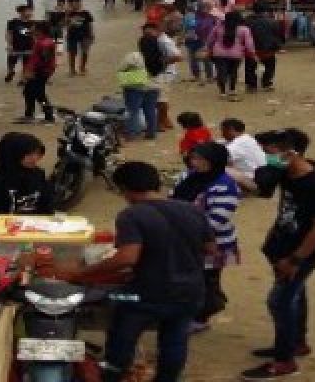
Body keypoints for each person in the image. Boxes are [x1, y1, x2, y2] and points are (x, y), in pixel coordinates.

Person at [52, 162, 213, 382]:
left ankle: (113, 374)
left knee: (121, 331)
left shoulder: (133, 215)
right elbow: (210, 249)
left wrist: (81, 275)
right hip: (190, 292)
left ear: (125, 188)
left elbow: (127, 257)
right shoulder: (191, 210)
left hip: (143, 295)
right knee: (175, 340)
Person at [244, 129, 315, 379]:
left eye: (268, 152)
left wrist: (295, 259)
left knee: (279, 302)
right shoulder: (288, 171)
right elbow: (262, 189)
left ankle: (284, 361)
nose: (265, 157)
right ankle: (296, 343)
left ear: (290, 153)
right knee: (295, 295)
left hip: (301, 251)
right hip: (285, 242)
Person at [172, 142, 241, 333]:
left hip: (212, 243)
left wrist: (182, 226)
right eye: (194, 158)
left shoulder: (225, 187)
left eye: (201, 159)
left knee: (206, 280)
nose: (195, 162)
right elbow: (172, 200)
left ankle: (201, 318)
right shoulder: (187, 177)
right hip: (183, 239)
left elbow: (215, 220)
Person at [0, 132, 54, 225]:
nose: (35, 158)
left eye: (38, 154)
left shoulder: (38, 175)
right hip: (2, 233)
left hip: (36, 229)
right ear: (13, 154)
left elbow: (47, 207)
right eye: (29, 154)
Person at [208, 7, 256, 101]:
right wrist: (252, 53)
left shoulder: (218, 27)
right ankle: (232, 90)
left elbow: (210, 39)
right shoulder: (244, 29)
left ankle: (222, 92)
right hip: (236, 55)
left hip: (219, 54)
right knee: (233, 72)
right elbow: (249, 43)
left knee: (221, 72)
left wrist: (209, 49)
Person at [244, 5, 283, 92]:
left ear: (253, 11)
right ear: (265, 11)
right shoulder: (273, 22)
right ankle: (266, 83)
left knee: (250, 67)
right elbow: (277, 36)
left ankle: (252, 85)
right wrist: (277, 47)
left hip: (252, 49)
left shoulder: (246, 21)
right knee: (270, 66)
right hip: (268, 49)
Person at [221, 118, 265, 191]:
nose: (222, 134)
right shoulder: (247, 138)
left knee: (217, 168)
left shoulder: (237, 144)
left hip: (252, 181)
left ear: (231, 130)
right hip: (261, 176)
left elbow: (221, 159)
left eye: (223, 131)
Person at [63, 0, 95, 76]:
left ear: (80, 3)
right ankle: (72, 70)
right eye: (72, 3)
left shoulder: (86, 13)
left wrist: (91, 34)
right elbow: (65, 25)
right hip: (72, 36)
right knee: (72, 52)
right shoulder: (68, 13)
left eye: (76, 3)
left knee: (85, 52)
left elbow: (90, 24)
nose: (75, 5)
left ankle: (82, 68)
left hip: (85, 35)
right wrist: (68, 17)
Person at [4, 5, 34, 83]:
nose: (30, 13)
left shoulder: (33, 23)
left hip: (28, 46)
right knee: (11, 61)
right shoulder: (13, 22)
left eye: (30, 11)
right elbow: (8, 33)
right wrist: (9, 45)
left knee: (26, 63)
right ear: (21, 12)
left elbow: (35, 35)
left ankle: (23, 79)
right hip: (15, 46)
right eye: (28, 11)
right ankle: (10, 72)